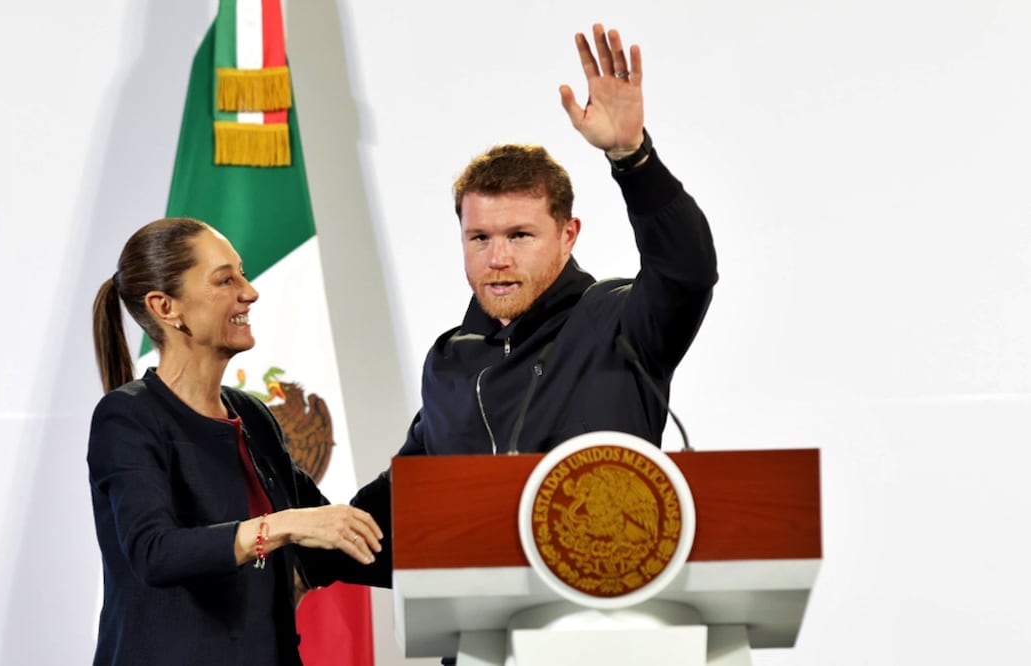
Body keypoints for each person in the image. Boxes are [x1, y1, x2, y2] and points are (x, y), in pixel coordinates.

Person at [349, 24, 718, 658]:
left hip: (611, 640)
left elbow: (687, 271)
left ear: (568, 233)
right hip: (481, 644)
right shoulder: (450, 359)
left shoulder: (621, 319)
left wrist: (634, 159)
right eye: (480, 238)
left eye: (519, 236)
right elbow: (407, 505)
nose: (497, 258)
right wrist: (295, 538)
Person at [88, 218, 387, 665]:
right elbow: (154, 552)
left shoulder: (252, 416)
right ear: (165, 307)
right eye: (225, 280)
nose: (250, 291)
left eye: (242, 274)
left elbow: (332, 541)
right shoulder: (127, 416)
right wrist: (283, 525)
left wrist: (432, 441)